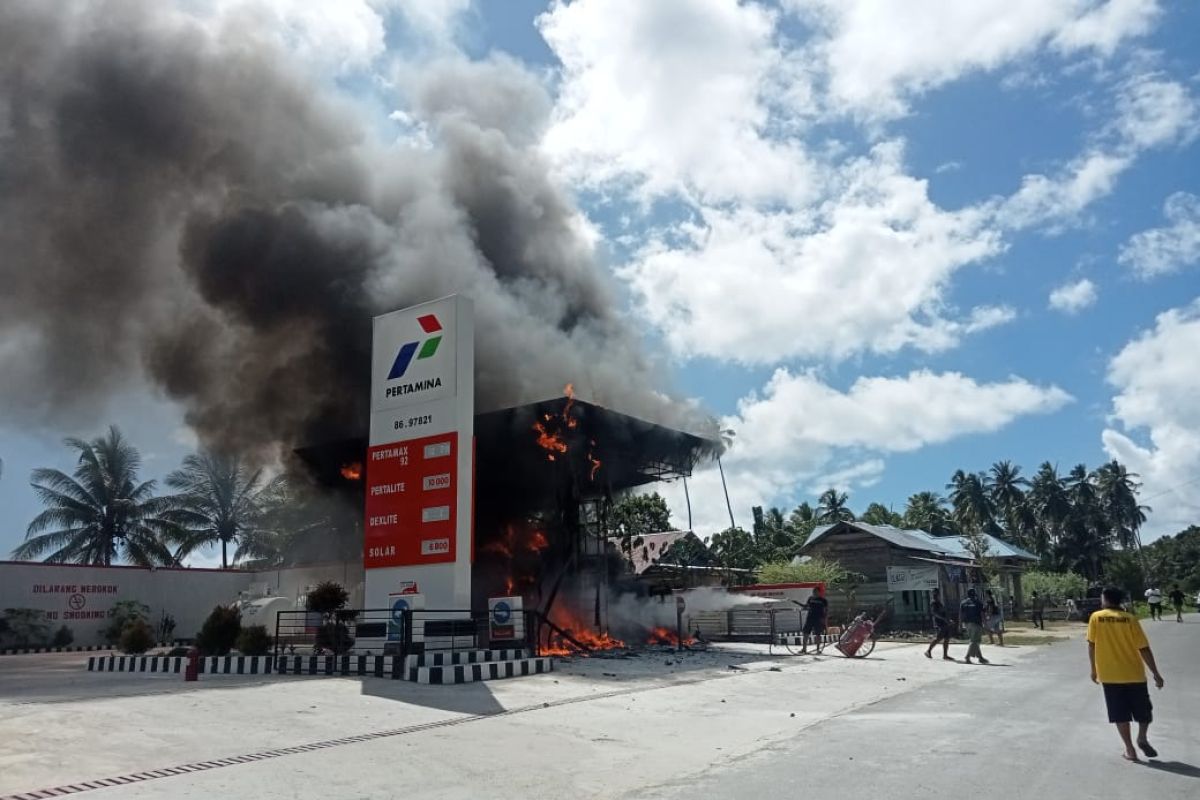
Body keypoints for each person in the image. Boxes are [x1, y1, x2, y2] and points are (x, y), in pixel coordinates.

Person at [1087, 586, 1165, 762]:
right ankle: (1142, 737)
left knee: (1119, 713)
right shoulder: (1130, 619)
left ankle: (1130, 750)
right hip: (1134, 673)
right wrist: (1156, 673)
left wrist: (1093, 670)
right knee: (1144, 711)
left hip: (1110, 675)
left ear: (1106, 599)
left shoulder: (1096, 618)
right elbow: (1143, 647)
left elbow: (1092, 645)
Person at [924, 588, 955, 661]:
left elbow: (944, 612)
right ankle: (928, 651)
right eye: (935, 594)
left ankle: (945, 655)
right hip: (939, 623)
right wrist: (944, 619)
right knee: (938, 638)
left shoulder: (939, 603)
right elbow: (935, 614)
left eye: (937, 594)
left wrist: (949, 620)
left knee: (947, 639)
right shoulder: (933, 603)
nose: (937, 595)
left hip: (945, 623)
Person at [960, 588, 988, 665]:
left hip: (967, 624)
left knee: (973, 640)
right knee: (975, 641)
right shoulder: (978, 603)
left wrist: (960, 625)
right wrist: (985, 625)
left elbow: (961, 615)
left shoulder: (963, 603)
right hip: (976, 623)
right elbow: (982, 614)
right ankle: (967, 656)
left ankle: (980, 657)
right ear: (974, 595)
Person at [799, 585, 829, 654]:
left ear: (819, 592)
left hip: (818, 619)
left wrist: (824, 619)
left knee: (818, 634)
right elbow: (806, 606)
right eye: (813, 591)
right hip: (810, 618)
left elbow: (826, 611)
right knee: (806, 633)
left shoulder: (823, 600)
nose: (814, 592)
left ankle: (818, 650)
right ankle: (804, 649)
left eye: (816, 591)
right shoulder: (810, 599)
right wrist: (804, 607)